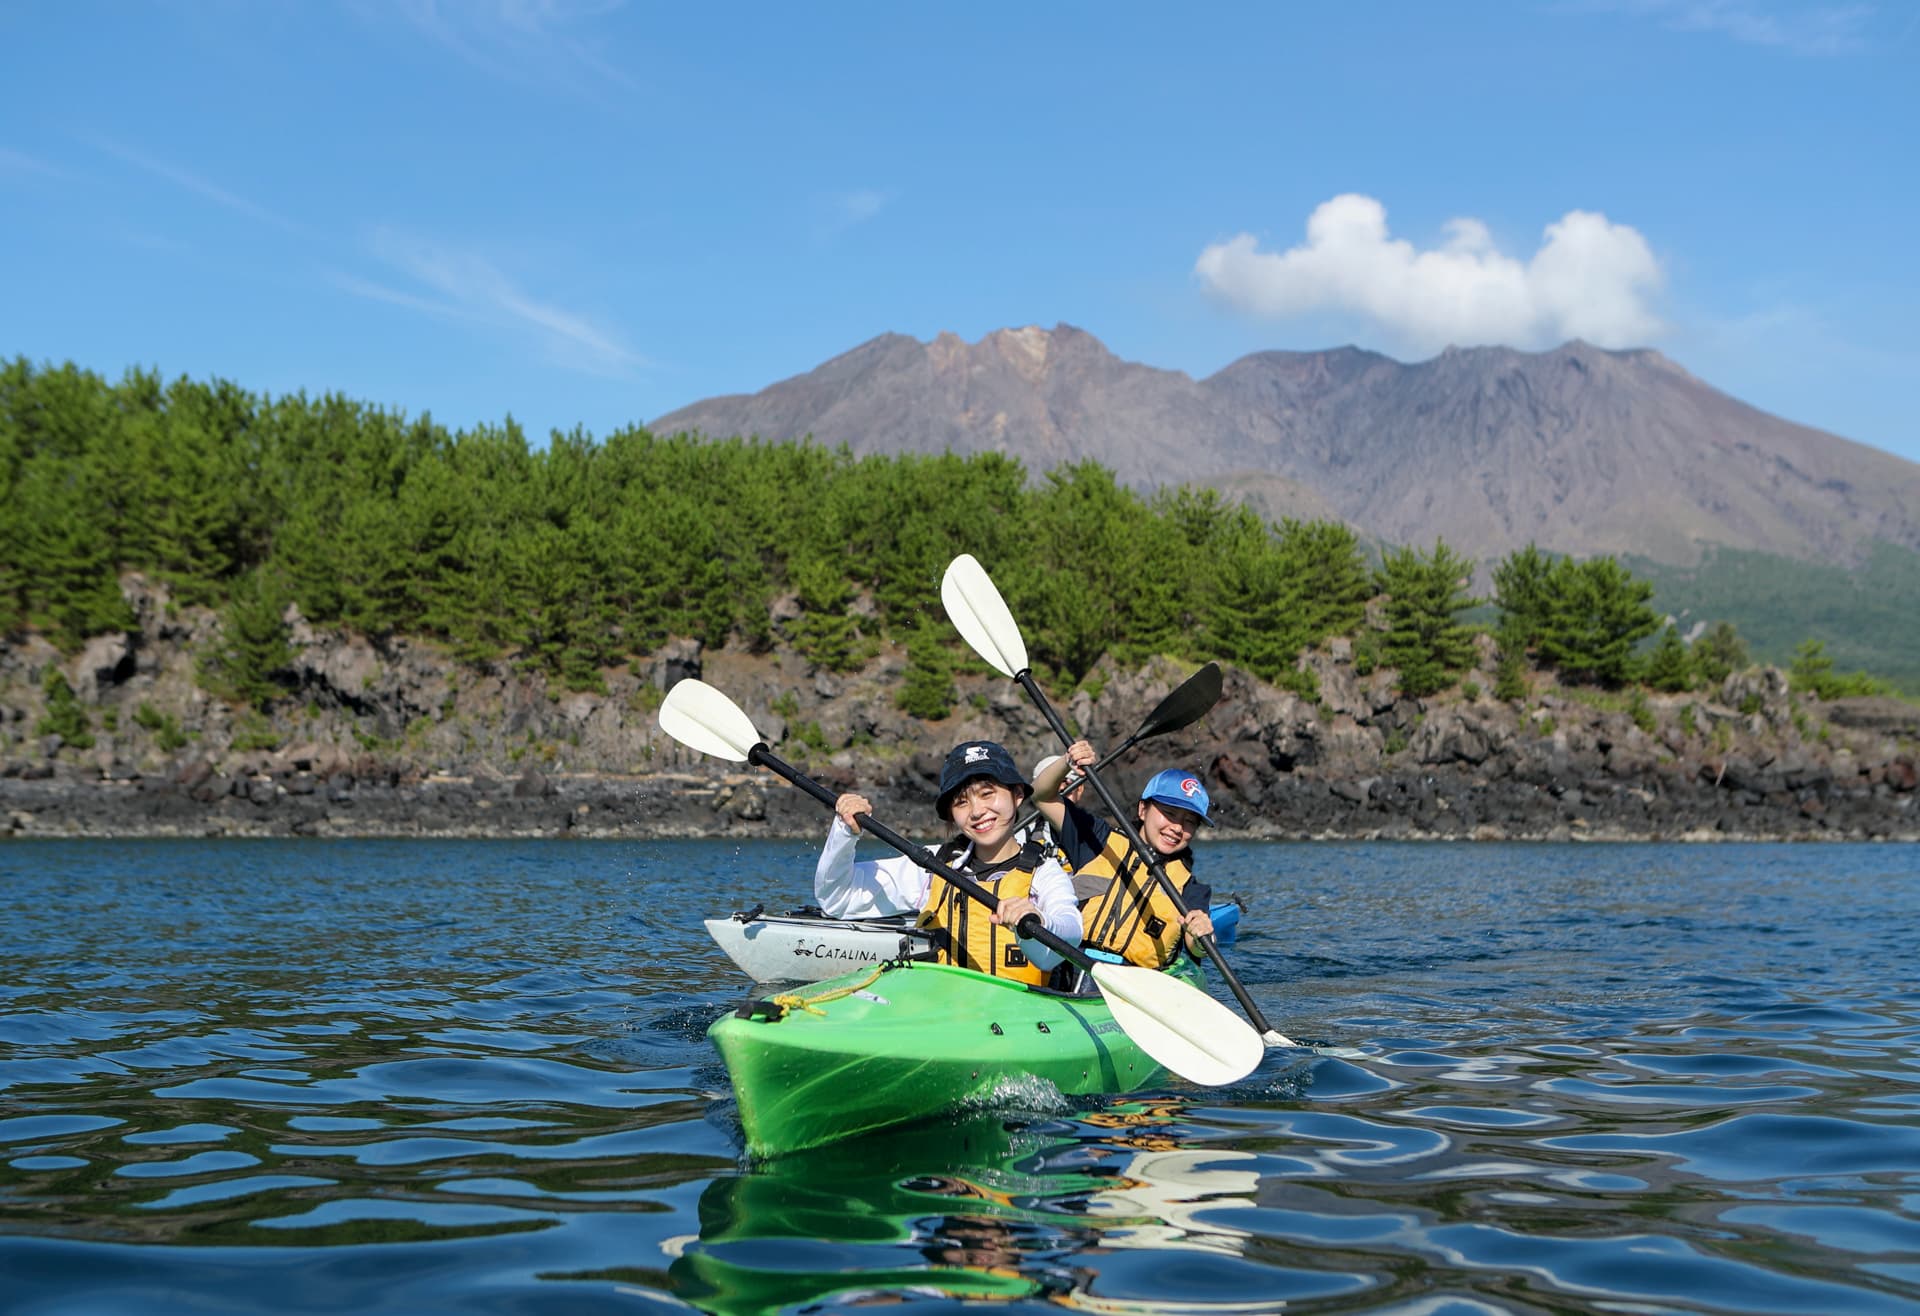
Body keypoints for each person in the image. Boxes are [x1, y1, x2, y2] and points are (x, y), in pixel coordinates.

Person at [815, 740, 1082, 985]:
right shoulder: (932, 866)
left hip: (1019, 1022)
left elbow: (1064, 939)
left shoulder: (1044, 873)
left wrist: (1036, 920)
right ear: (952, 815)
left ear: (1017, 795)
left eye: (988, 793)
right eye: (962, 802)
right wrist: (845, 832)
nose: (977, 811)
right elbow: (837, 898)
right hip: (938, 1014)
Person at [1031, 740, 1214, 969]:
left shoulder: (1191, 889)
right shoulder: (1097, 839)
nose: (1177, 827)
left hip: (1136, 981)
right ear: (1142, 810)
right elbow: (1041, 797)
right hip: (1071, 964)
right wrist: (1067, 762)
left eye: (1189, 822)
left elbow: (1196, 947)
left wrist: (1201, 935)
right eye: (1170, 814)